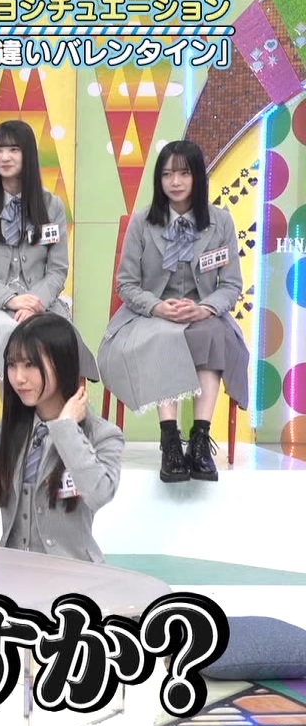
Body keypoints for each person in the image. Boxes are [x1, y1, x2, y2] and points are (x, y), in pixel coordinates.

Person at [97, 140, 248, 483]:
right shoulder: (142, 222)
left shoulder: (221, 221)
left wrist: (205, 308)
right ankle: (169, 441)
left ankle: (199, 439)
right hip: (149, 314)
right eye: (167, 175)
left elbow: (230, 285)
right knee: (165, 337)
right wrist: (158, 306)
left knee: (212, 334)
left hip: (202, 312)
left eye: (183, 173)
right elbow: (126, 284)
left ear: (197, 177)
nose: (175, 182)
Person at [0, 120, 99, 399]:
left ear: (28, 154)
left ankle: (54, 417)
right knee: (14, 335)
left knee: (59, 338)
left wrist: (34, 302)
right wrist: (10, 300)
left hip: (40, 304)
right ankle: (17, 419)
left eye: (13, 149)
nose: (4, 157)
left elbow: (57, 270)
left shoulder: (51, 206)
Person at [0, 313, 123, 563]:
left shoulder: (103, 434)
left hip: (74, 575)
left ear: (61, 364)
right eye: (12, 365)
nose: (18, 377)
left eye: (30, 364)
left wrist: (66, 428)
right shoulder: (7, 430)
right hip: (13, 572)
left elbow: (99, 493)